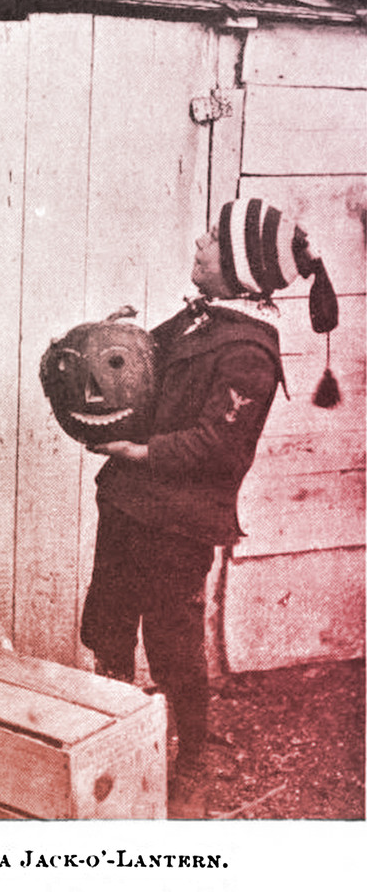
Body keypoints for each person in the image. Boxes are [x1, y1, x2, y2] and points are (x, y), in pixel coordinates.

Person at [78, 198, 338, 812]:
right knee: (110, 622)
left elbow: (219, 447)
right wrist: (115, 342)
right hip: (129, 505)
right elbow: (145, 372)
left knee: (173, 648)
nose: (200, 242)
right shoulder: (200, 320)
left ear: (242, 267)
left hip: (178, 525)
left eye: (215, 238)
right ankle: (117, 745)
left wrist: (138, 450)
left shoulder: (248, 351)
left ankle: (192, 758)